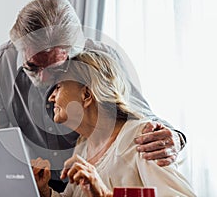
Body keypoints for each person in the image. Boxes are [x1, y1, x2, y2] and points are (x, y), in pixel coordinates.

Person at [0, 0, 186, 192]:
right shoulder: (0, 61)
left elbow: (139, 114)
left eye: (56, 69)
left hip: (87, 180)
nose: (42, 79)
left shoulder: (96, 61)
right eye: (32, 66)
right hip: (36, 182)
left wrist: (176, 138)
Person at [32, 50, 195, 197]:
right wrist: (45, 192)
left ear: (87, 95)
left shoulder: (142, 139)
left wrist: (105, 195)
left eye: (58, 87)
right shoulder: (82, 147)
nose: (51, 97)